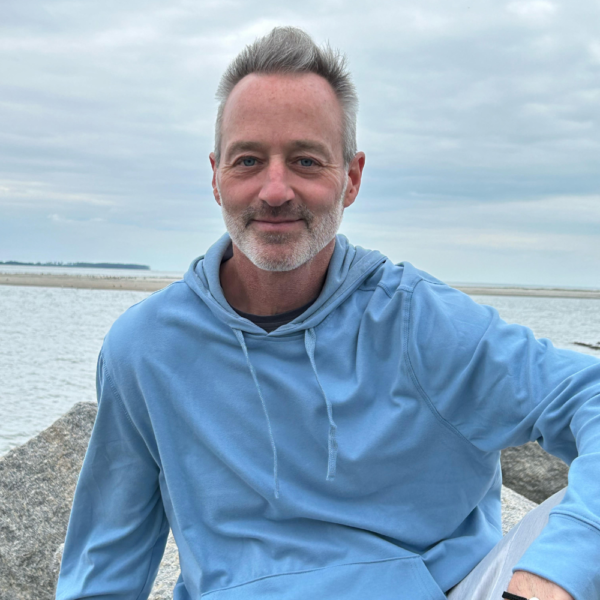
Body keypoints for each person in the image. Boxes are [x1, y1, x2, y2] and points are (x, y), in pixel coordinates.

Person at [56, 27, 600, 600]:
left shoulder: (419, 321)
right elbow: (106, 562)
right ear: (216, 177)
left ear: (352, 178)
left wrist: (551, 577)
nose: (274, 190)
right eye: (248, 160)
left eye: (305, 161)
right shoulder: (145, 349)